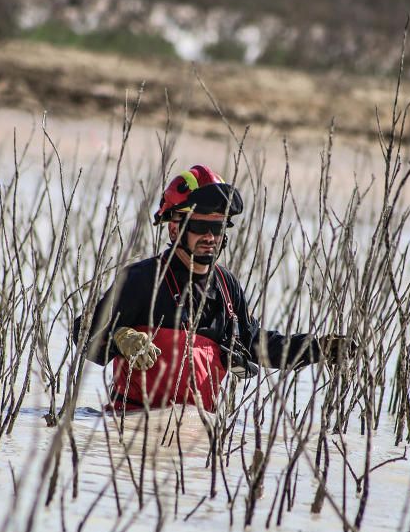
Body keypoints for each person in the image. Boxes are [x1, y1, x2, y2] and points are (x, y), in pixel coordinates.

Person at [73, 165, 350, 411]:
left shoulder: (227, 288)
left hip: (197, 438)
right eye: (200, 226)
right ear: (173, 230)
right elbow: (83, 332)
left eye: (217, 229)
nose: (210, 237)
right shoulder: (141, 279)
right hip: (132, 427)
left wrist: (318, 348)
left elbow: (258, 345)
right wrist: (120, 336)